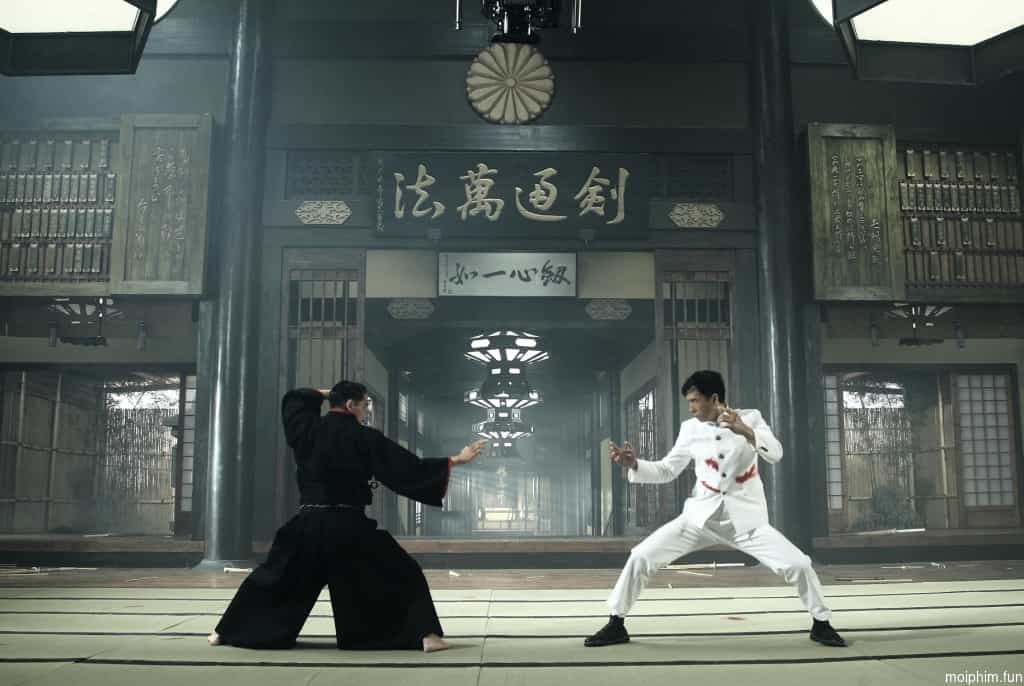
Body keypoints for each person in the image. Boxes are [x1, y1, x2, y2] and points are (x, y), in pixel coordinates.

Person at [208, 380, 486, 652]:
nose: (366, 411)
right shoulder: (365, 437)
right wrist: (456, 460)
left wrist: (326, 393)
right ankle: (425, 636)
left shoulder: (307, 429)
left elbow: (294, 400)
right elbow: (408, 468)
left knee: (274, 576)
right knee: (403, 572)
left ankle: (226, 631)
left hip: (307, 524)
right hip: (349, 526)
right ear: (351, 405)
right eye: (364, 405)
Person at [585, 370, 847, 649]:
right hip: (699, 518)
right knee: (640, 556)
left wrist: (745, 431)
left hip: (746, 521)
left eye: (695, 401)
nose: (691, 408)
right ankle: (616, 623)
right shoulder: (690, 429)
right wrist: (634, 465)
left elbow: (776, 453)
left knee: (800, 564)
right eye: (689, 402)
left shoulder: (751, 418)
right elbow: (668, 470)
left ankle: (821, 623)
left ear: (714, 398)